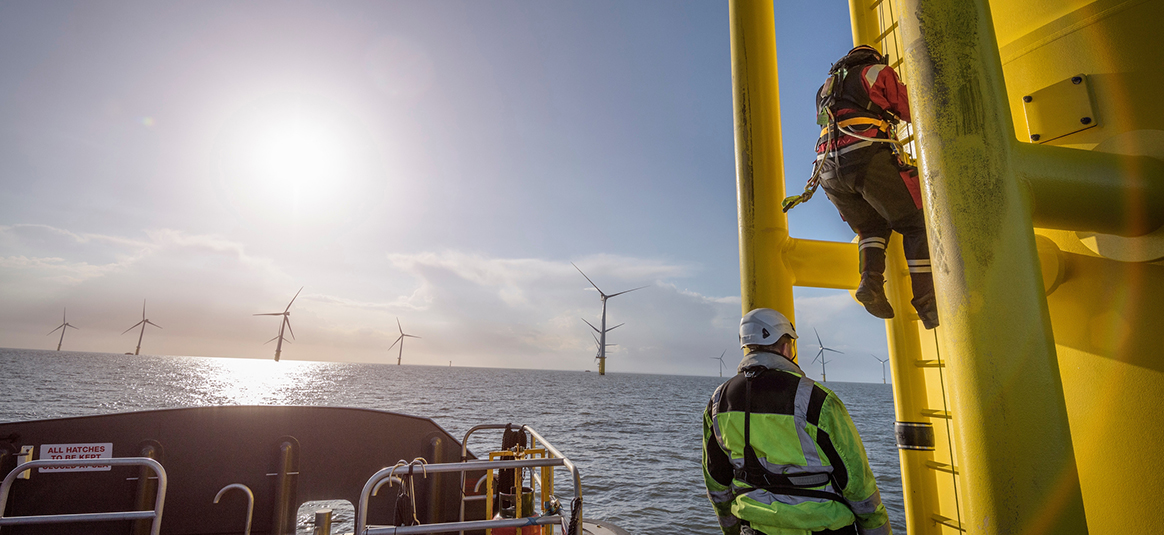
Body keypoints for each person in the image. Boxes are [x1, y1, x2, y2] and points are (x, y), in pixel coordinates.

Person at [703, 308, 891, 535]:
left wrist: (731, 529)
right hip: (822, 528)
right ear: (785, 347)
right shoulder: (817, 399)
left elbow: (716, 482)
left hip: (753, 529)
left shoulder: (719, 401)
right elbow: (857, 482)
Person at [815, 45, 938, 329]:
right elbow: (912, 110)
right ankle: (927, 302)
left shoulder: (825, 88)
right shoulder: (877, 72)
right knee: (915, 222)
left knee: (872, 228)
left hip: (828, 173)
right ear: (874, 59)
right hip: (864, 159)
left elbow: (828, 124)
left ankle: (870, 284)